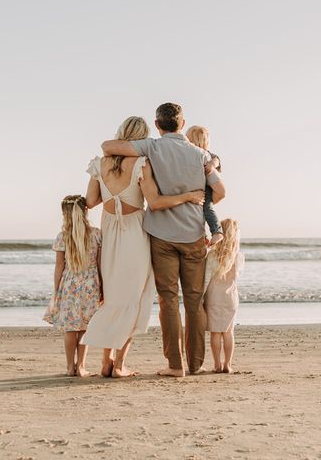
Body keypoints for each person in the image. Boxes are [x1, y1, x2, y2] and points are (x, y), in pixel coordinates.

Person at [101, 102, 225, 377]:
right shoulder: (200, 154)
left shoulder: (151, 147)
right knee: (194, 301)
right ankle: (195, 364)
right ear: (182, 124)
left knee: (168, 300)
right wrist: (198, 201)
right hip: (193, 234)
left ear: (157, 125)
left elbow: (107, 146)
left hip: (161, 235)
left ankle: (175, 365)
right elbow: (220, 191)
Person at [82, 116, 204, 378]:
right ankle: (119, 365)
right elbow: (156, 202)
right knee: (135, 298)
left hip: (110, 233)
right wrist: (189, 196)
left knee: (113, 297)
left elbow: (91, 201)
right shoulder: (140, 164)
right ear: (140, 139)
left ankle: (106, 361)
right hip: (135, 233)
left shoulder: (99, 164)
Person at [43, 194, 102, 377]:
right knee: (84, 327)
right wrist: (103, 287)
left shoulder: (63, 237)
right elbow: (100, 264)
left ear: (65, 214)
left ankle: (70, 367)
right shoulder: (96, 234)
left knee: (70, 328)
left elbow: (59, 266)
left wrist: (56, 290)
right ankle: (81, 367)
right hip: (91, 283)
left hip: (69, 284)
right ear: (85, 211)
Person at [204, 218, 244, 373]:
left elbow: (206, 279)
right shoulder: (238, 257)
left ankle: (217, 365)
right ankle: (228, 364)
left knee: (215, 332)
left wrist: (201, 296)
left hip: (214, 297)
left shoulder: (212, 255)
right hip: (231, 297)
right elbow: (238, 275)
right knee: (229, 331)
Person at [185, 125, 223, 245]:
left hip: (206, 188)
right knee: (200, 214)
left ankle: (217, 232)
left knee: (207, 208)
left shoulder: (207, 154)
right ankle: (205, 236)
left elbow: (217, 159)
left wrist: (212, 164)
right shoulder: (187, 154)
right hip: (195, 188)